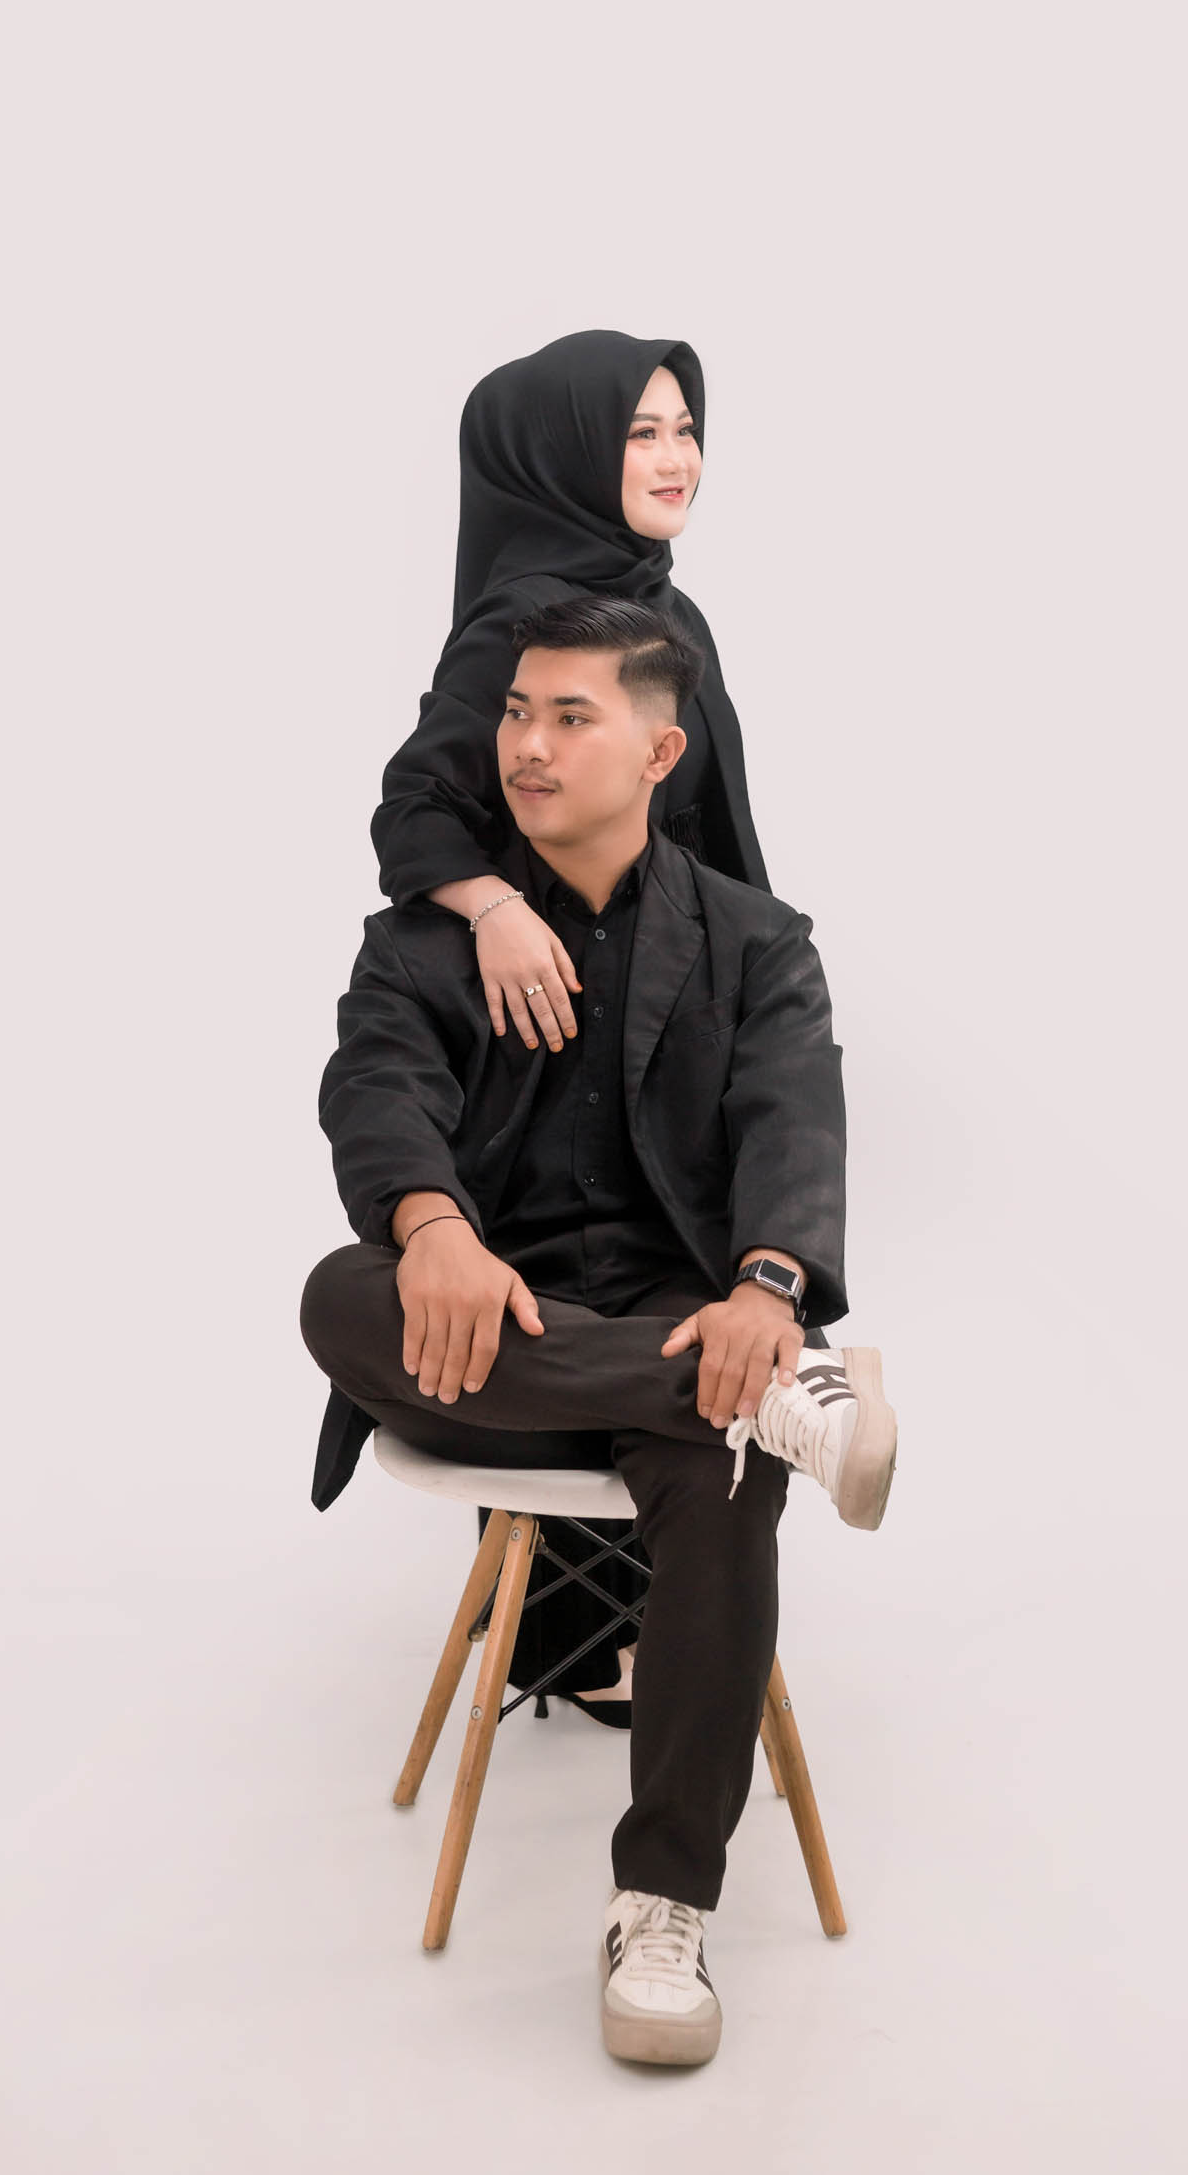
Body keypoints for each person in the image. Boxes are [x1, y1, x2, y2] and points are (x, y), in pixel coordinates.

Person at [302, 595, 897, 2067]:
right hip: (482, 1343)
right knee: (339, 1293)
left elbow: (793, 1119)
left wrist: (767, 1289)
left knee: (720, 1458)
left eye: (572, 717)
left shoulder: (757, 942)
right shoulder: (423, 944)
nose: (529, 745)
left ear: (659, 753)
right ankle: (780, 1398)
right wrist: (432, 1229)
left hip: (681, 1327)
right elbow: (375, 1088)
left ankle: (664, 1909)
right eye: (517, 712)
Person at [371, 329, 768, 1720]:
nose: (677, 459)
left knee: (664, 1277)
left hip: (664, 1008)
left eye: (686, 428)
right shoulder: (529, 618)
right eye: (641, 432)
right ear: (563, 455)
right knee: (574, 1276)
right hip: (547, 1030)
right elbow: (414, 808)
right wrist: (492, 908)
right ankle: (580, 1638)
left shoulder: (661, 606)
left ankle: (597, 1640)